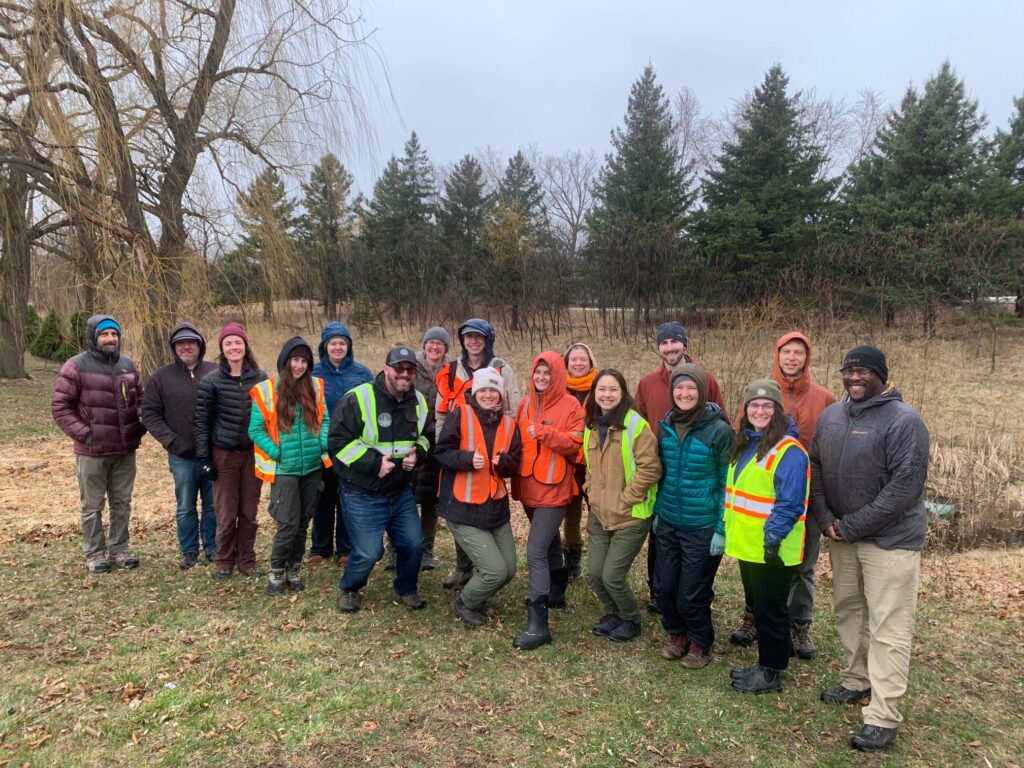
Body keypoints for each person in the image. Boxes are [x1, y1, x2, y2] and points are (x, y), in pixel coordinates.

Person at [811, 346, 929, 752]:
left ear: (881, 375)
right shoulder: (831, 416)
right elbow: (818, 470)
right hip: (842, 536)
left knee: (888, 626)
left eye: (863, 371)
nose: (854, 378)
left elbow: (904, 487)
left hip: (890, 542)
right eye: (849, 371)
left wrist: (852, 525)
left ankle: (883, 713)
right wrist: (825, 519)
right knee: (849, 610)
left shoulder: (904, 421)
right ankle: (856, 680)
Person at [729, 331, 836, 658]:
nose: (792, 358)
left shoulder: (824, 399)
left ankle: (799, 626)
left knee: (801, 564)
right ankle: (753, 616)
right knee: (755, 564)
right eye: (786, 352)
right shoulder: (759, 394)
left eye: (798, 353)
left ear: (807, 358)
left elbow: (830, 449)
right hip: (764, 501)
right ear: (777, 355)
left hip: (806, 496)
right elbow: (742, 444)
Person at [634, 321, 728, 612]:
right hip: (660, 468)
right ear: (659, 347)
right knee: (660, 536)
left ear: (684, 345)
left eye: (675, 342)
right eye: (664, 343)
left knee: (694, 548)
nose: (670, 348)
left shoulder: (706, 379)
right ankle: (659, 593)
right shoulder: (648, 383)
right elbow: (637, 422)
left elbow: (720, 419)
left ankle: (697, 596)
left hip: (697, 469)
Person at [329, 345, 430, 613]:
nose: (404, 374)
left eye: (410, 370)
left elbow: (426, 436)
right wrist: (373, 464)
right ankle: (349, 588)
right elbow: (336, 442)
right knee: (369, 552)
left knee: (413, 543)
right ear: (386, 369)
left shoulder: (419, 401)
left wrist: (418, 453)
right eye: (399, 368)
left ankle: (407, 588)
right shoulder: (358, 398)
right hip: (361, 491)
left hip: (399, 490)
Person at [725, 379, 809, 695]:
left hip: (772, 548)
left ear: (777, 412)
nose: (760, 410)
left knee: (770, 609)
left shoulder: (788, 451)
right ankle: (779, 651)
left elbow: (790, 502)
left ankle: (770, 673)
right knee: (761, 606)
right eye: (754, 405)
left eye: (767, 406)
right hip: (749, 545)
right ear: (746, 410)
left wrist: (772, 538)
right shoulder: (746, 442)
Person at [653, 364, 732, 667]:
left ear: (701, 392)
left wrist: (721, 528)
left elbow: (728, 480)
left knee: (691, 591)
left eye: (691, 388)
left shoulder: (719, 430)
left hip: (703, 525)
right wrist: (659, 512)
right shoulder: (667, 425)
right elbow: (665, 474)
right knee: (664, 587)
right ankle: (677, 634)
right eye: (679, 388)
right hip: (670, 520)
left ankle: (700, 642)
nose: (684, 394)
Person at [52, 314, 145, 572]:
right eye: (104, 334)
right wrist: (87, 434)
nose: (110, 339)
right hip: (92, 452)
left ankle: (120, 550)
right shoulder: (76, 367)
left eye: (114, 334)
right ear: (94, 337)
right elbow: (61, 408)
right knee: (92, 506)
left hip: (125, 450)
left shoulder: (128, 365)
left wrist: (139, 427)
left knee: (122, 503)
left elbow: (142, 402)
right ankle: (94, 554)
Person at [435, 318, 520, 589]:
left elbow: (512, 408)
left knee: (479, 507)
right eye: (468, 337)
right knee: (463, 508)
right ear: (462, 341)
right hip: (458, 445)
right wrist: (452, 454)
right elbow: (440, 413)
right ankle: (464, 569)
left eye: (478, 337)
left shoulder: (501, 367)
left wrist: (503, 447)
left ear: (487, 340)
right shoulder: (452, 369)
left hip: (492, 447)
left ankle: (482, 569)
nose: (473, 341)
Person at [434, 367, 523, 626]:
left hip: (495, 506)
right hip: (462, 507)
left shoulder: (509, 424)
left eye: (492, 391)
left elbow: (514, 465)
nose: (487, 395)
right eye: (483, 390)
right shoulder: (460, 414)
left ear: (500, 394)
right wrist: (465, 459)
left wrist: (504, 462)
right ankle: (466, 602)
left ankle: (479, 595)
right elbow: (441, 452)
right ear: (475, 392)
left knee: (508, 569)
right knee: (495, 571)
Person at [511, 352, 584, 650]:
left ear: (557, 375)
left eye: (547, 374)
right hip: (528, 486)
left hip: (555, 489)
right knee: (549, 540)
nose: (541, 378)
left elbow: (575, 446)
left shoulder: (572, 405)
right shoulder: (525, 403)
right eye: (537, 373)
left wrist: (547, 433)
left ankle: (538, 624)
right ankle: (557, 591)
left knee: (536, 549)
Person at [582, 369, 661, 644]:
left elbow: (651, 468)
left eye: (613, 389)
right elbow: (590, 467)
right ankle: (612, 613)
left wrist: (628, 497)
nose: (606, 395)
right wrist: (590, 490)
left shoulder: (636, 425)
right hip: (599, 513)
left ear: (623, 392)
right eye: (601, 389)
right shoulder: (591, 425)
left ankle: (630, 618)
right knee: (594, 572)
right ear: (594, 393)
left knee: (612, 575)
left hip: (630, 515)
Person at [250, 337, 331, 596]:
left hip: (311, 467)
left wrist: (321, 444)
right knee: (287, 523)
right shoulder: (266, 390)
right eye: (295, 360)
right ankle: (276, 573)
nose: (299, 366)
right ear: (285, 362)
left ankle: (294, 569)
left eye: (304, 361)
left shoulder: (315, 387)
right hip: (284, 470)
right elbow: (255, 429)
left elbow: (325, 419)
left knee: (302, 524)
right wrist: (277, 452)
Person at [140, 322, 219, 570]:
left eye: (191, 342)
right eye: (181, 343)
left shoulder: (216, 372)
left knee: (213, 505)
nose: (187, 347)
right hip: (181, 456)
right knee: (185, 505)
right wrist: (172, 441)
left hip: (214, 453)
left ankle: (213, 547)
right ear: (174, 348)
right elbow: (150, 413)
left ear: (200, 345)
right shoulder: (161, 377)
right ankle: (189, 550)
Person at [194, 322, 267, 580]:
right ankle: (223, 560)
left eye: (238, 342)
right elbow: (202, 421)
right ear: (222, 349)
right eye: (228, 343)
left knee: (249, 510)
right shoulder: (211, 381)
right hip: (223, 453)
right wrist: (204, 458)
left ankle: (246, 559)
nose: (234, 347)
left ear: (245, 346)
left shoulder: (261, 378)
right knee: (226, 511)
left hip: (252, 454)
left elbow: (269, 419)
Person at [309, 321, 373, 567]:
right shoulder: (313, 373)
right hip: (322, 446)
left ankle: (346, 549)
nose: (337, 347)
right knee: (323, 497)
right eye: (333, 343)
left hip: (352, 446)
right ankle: (320, 547)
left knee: (348, 497)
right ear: (324, 347)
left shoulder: (362, 373)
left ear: (349, 347)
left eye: (342, 343)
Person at [412, 326, 454, 571]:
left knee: (431, 500)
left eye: (440, 343)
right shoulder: (411, 366)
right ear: (424, 345)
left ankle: (427, 550)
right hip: (411, 439)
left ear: (446, 348)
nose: (435, 347)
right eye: (431, 342)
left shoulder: (452, 371)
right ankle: (397, 549)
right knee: (404, 496)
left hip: (438, 441)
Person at [562, 342, 598, 581]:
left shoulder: (602, 386)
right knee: (571, 514)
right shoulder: (559, 387)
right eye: (573, 359)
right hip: (569, 461)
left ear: (591, 361)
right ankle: (572, 562)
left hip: (596, 462)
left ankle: (600, 560)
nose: (577, 363)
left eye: (582, 359)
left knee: (599, 512)